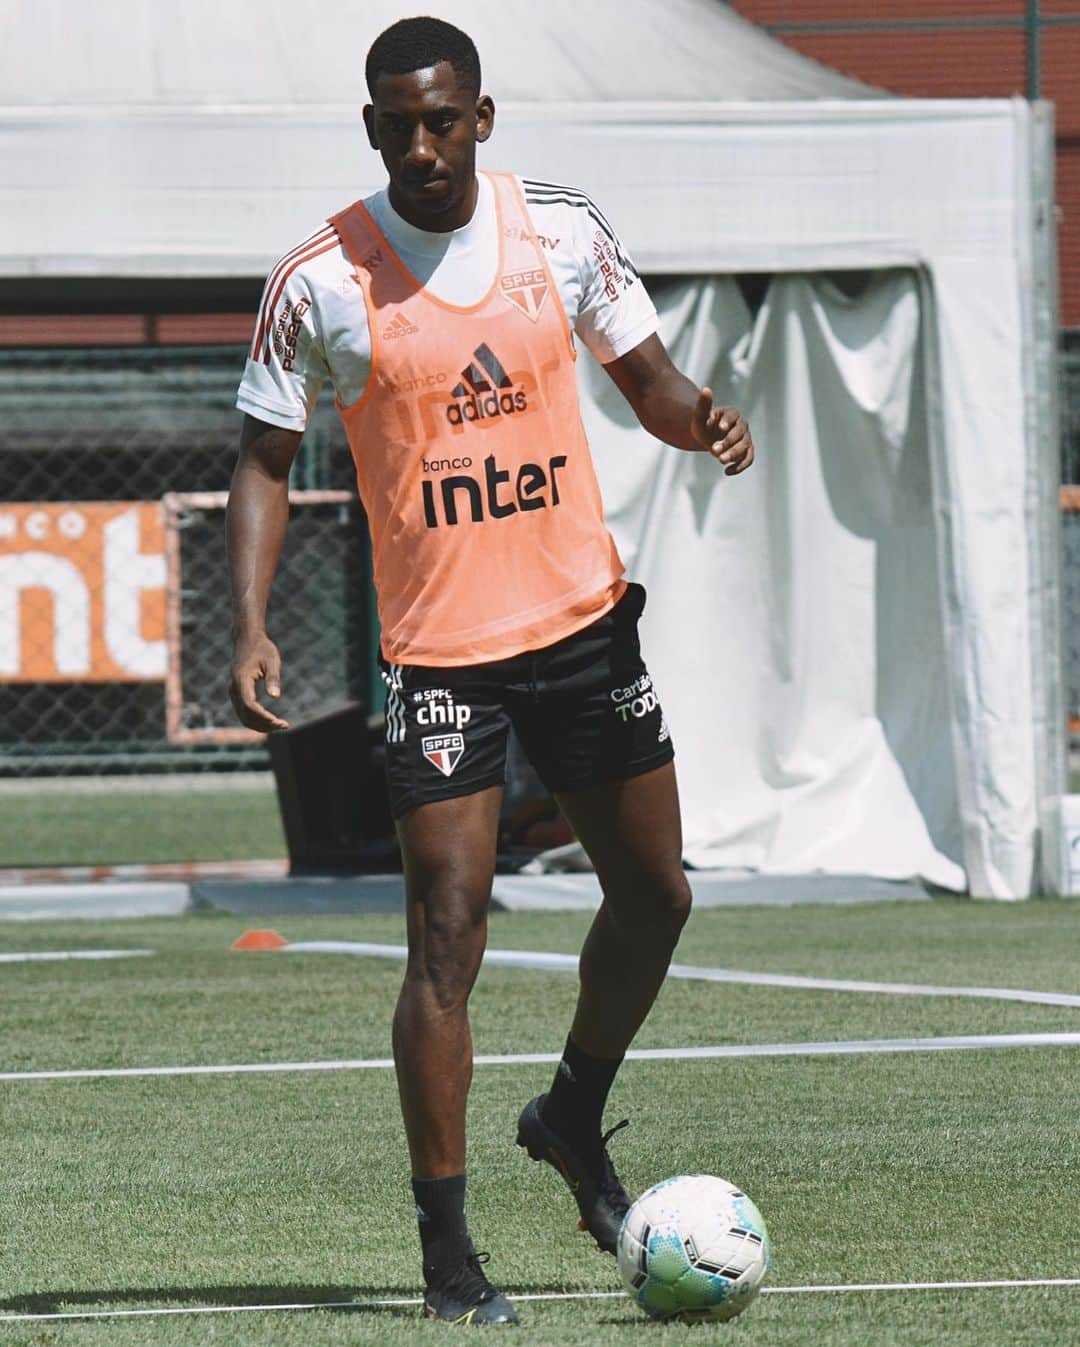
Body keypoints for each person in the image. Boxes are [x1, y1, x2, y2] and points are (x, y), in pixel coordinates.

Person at [228, 16, 754, 1326]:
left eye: (441, 118)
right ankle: (449, 1258)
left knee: (656, 898)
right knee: (447, 932)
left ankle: (569, 1112)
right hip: (443, 656)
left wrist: (702, 422)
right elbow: (260, 461)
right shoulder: (321, 279)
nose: (421, 142)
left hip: (582, 627)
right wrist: (248, 622)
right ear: (372, 129)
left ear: (482, 116)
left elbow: (649, 381)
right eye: (397, 123)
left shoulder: (560, 229)